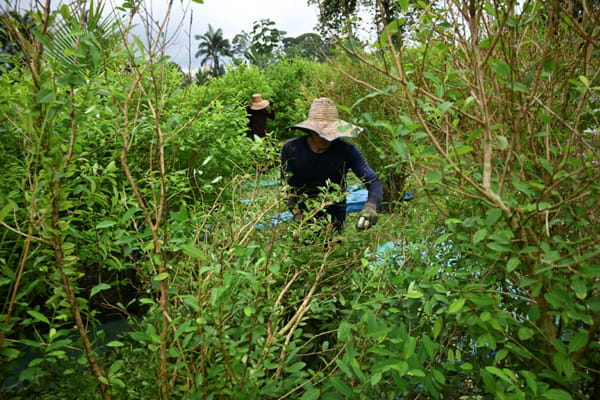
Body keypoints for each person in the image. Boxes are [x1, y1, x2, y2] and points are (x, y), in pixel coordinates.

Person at [280, 97, 383, 232]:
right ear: (311, 131)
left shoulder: (347, 150)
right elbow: (286, 187)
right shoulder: (291, 149)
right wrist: (297, 214)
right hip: (304, 210)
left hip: (335, 212)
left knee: (332, 248)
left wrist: (370, 205)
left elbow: (373, 181)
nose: (325, 138)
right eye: (320, 134)